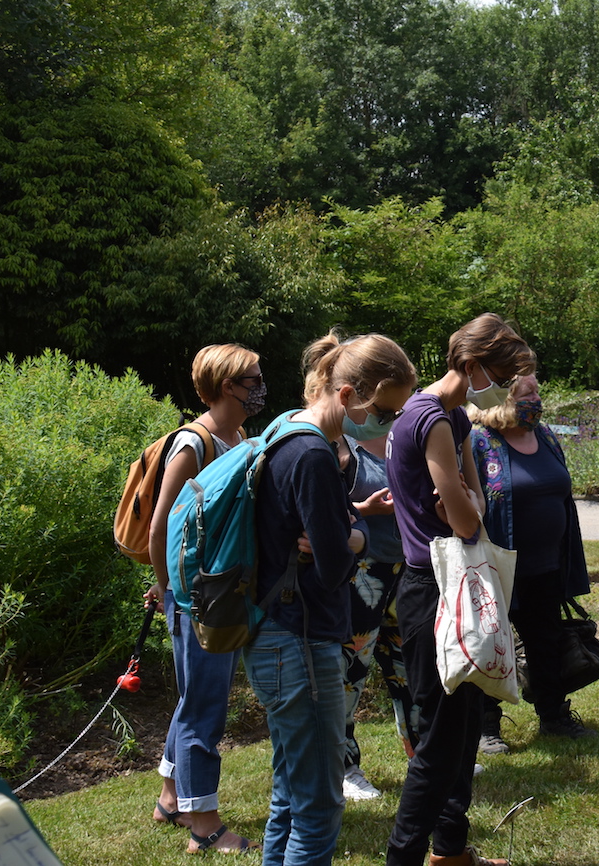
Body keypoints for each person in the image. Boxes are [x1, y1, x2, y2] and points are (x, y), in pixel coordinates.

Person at [244, 332, 416, 866]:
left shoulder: (282, 430)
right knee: (318, 809)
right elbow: (337, 562)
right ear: (347, 395)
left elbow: (313, 535)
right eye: (385, 411)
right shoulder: (315, 453)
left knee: (288, 799)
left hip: (272, 633)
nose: (387, 425)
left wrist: (351, 519)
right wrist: (358, 537)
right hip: (301, 640)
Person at [384, 312, 536, 866]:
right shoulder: (432, 420)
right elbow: (469, 519)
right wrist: (467, 502)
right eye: (498, 374)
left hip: (453, 584)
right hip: (435, 591)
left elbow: (471, 503)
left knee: (465, 728)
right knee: (440, 743)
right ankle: (402, 857)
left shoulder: (452, 417)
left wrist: (467, 500)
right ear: (470, 365)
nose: (504, 387)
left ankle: (449, 851)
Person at [147, 343, 265, 854]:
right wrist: (172, 592)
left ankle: (170, 798)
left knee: (193, 698)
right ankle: (203, 824)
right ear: (225, 388)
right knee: (206, 706)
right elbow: (160, 528)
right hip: (200, 600)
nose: (261, 386)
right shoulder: (193, 444)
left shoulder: (238, 435)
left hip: (219, 591)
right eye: (252, 379)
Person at [470, 374, 596, 752]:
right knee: (491, 642)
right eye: (529, 393)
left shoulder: (545, 436)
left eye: (538, 390)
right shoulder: (478, 441)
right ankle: (485, 726)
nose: (538, 399)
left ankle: (553, 716)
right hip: (495, 564)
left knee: (546, 640)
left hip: (547, 563)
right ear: (503, 398)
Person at [337, 426, 415, 800]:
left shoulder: (402, 435)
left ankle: (422, 754)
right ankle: (345, 768)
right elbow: (323, 511)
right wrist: (367, 509)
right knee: (351, 673)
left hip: (407, 568)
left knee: (410, 666)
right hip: (362, 575)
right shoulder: (342, 445)